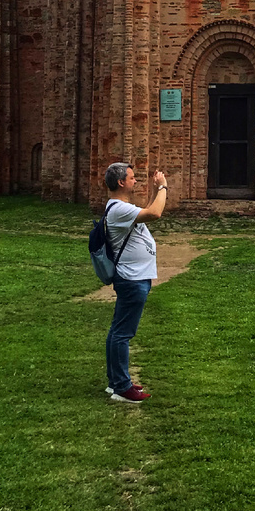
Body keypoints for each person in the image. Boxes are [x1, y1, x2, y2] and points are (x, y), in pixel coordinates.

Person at [102, 162, 168, 403]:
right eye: (132, 178)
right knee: (122, 333)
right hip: (132, 278)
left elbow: (147, 212)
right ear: (121, 182)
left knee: (118, 331)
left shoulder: (120, 208)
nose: (135, 181)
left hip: (133, 276)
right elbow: (155, 213)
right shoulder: (118, 209)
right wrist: (163, 188)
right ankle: (121, 387)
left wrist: (154, 190)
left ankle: (116, 382)